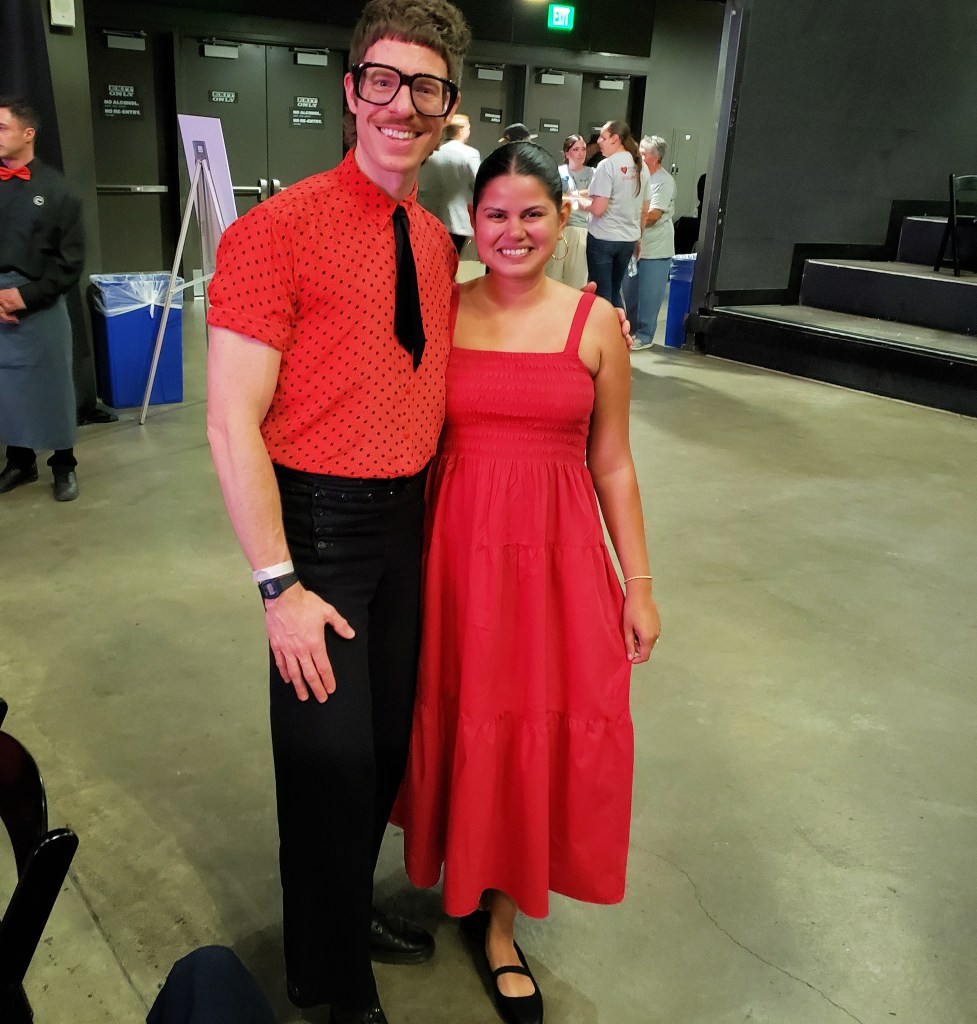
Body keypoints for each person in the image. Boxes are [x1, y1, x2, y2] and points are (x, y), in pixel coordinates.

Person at [204, 2, 472, 1022]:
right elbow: (232, 424)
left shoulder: (433, 243)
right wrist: (277, 584)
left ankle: (340, 912)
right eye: (382, 80)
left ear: (449, 107)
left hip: (408, 528)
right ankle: (328, 980)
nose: (402, 104)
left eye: (426, 86)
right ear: (350, 86)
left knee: (383, 757)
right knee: (327, 767)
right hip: (315, 531)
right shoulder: (275, 230)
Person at [394, 142, 661, 1024]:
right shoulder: (440, 307)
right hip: (452, 553)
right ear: (475, 219)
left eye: (531, 214)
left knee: (533, 726)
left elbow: (613, 464)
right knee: (456, 709)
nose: (512, 232)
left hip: (554, 565)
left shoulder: (593, 324)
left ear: (563, 217)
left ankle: (500, 922)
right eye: (496, 214)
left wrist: (640, 583)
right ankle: (456, 876)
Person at [0, 97, 84, 502]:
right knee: (6, 388)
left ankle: (64, 464)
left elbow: (70, 263)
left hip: (40, 302)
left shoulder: (58, 191)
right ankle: (19, 462)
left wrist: (23, 297)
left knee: (52, 386)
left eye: (2, 127)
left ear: (27, 133)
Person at [586, 119, 649, 305]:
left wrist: (580, 204)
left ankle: (605, 333)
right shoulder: (641, 166)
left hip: (604, 238)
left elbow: (598, 209)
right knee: (614, 291)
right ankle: (620, 332)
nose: (598, 142)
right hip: (627, 240)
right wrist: (638, 238)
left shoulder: (607, 165)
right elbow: (644, 210)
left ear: (615, 138)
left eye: (603, 138)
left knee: (601, 295)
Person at [626, 135, 675, 350]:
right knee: (629, 293)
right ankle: (631, 332)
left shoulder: (663, 181)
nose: (639, 156)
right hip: (635, 245)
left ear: (655, 158)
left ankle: (645, 336)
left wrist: (627, 220)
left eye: (643, 153)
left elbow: (653, 215)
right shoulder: (638, 176)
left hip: (656, 249)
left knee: (649, 295)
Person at [544, 133, 594, 289]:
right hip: (560, 227)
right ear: (567, 152)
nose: (581, 153)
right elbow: (556, 197)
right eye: (576, 149)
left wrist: (573, 196)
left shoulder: (593, 172)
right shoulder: (558, 172)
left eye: (583, 149)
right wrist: (579, 196)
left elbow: (595, 198)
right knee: (553, 275)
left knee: (577, 277)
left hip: (581, 228)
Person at [428, 112, 481, 252]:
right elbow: (479, 184)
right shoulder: (470, 154)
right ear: (462, 130)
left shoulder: (433, 153)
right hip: (460, 218)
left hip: (433, 214)